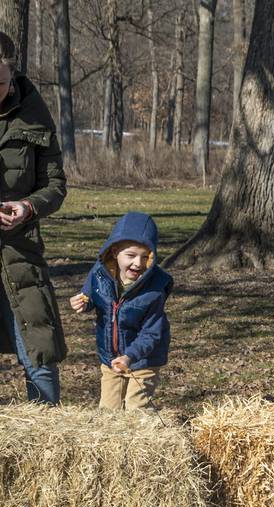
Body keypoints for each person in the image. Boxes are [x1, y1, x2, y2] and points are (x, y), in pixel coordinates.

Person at [0, 32, 67, 404]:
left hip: (19, 253)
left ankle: (47, 441)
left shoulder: (35, 117)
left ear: (12, 78)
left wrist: (28, 207)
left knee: (39, 356)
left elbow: (55, 185)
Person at [70, 212, 172, 410]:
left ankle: (142, 439)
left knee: (136, 409)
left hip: (144, 359)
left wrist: (130, 356)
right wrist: (83, 302)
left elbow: (152, 333)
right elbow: (91, 296)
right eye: (131, 255)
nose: (138, 263)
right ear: (115, 251)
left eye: (145, 257)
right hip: (111, 358)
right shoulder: (99, 274)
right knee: (108, 410)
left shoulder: (154, 290)